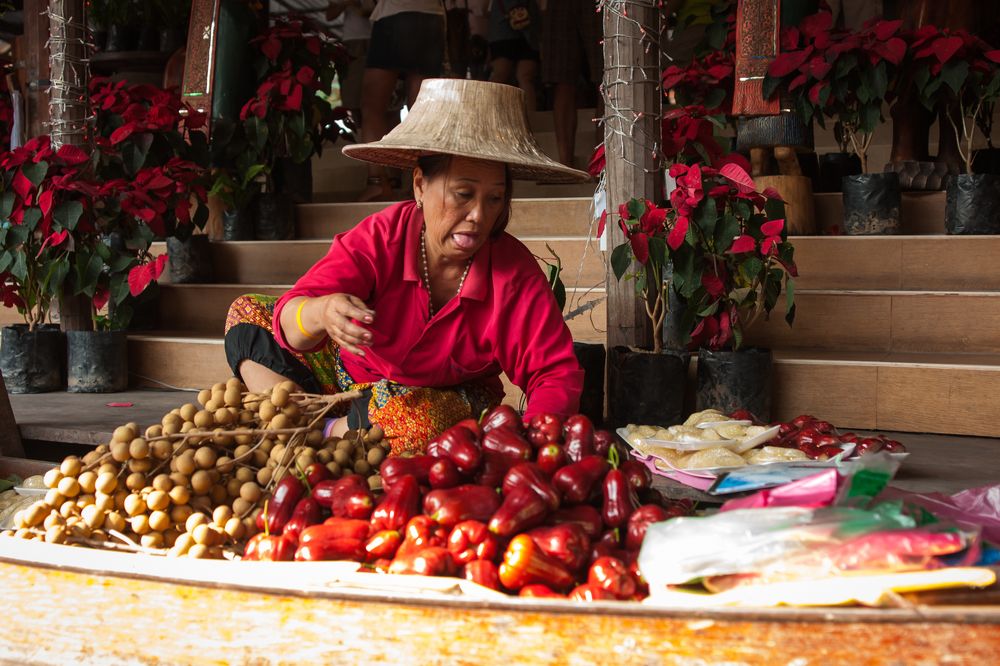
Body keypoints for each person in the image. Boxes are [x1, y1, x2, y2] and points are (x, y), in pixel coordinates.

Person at [224, 79, 590, 454]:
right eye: (463, 195)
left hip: (442, 400)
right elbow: (290, 321)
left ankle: (310, 431)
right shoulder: (381, 237)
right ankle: (322, 426)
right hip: (346, 381)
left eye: (495, 199)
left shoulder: (512, 273)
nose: (479, 216)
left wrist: (537, 449)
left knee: (427, 426)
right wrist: (323, 312)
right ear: (419, 186)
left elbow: (554, 372)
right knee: (248, 313)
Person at [357, 0, 447, 201]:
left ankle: (377, 183)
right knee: (420, 110)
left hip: (395, 14)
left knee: (372, 107)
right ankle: (421, 183)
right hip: (432, 16)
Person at [488, 0, 541, 111]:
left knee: (521, 77)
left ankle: (530, 119)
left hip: (519, 31)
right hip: (509, 32)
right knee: (505, 75)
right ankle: (488, 112)